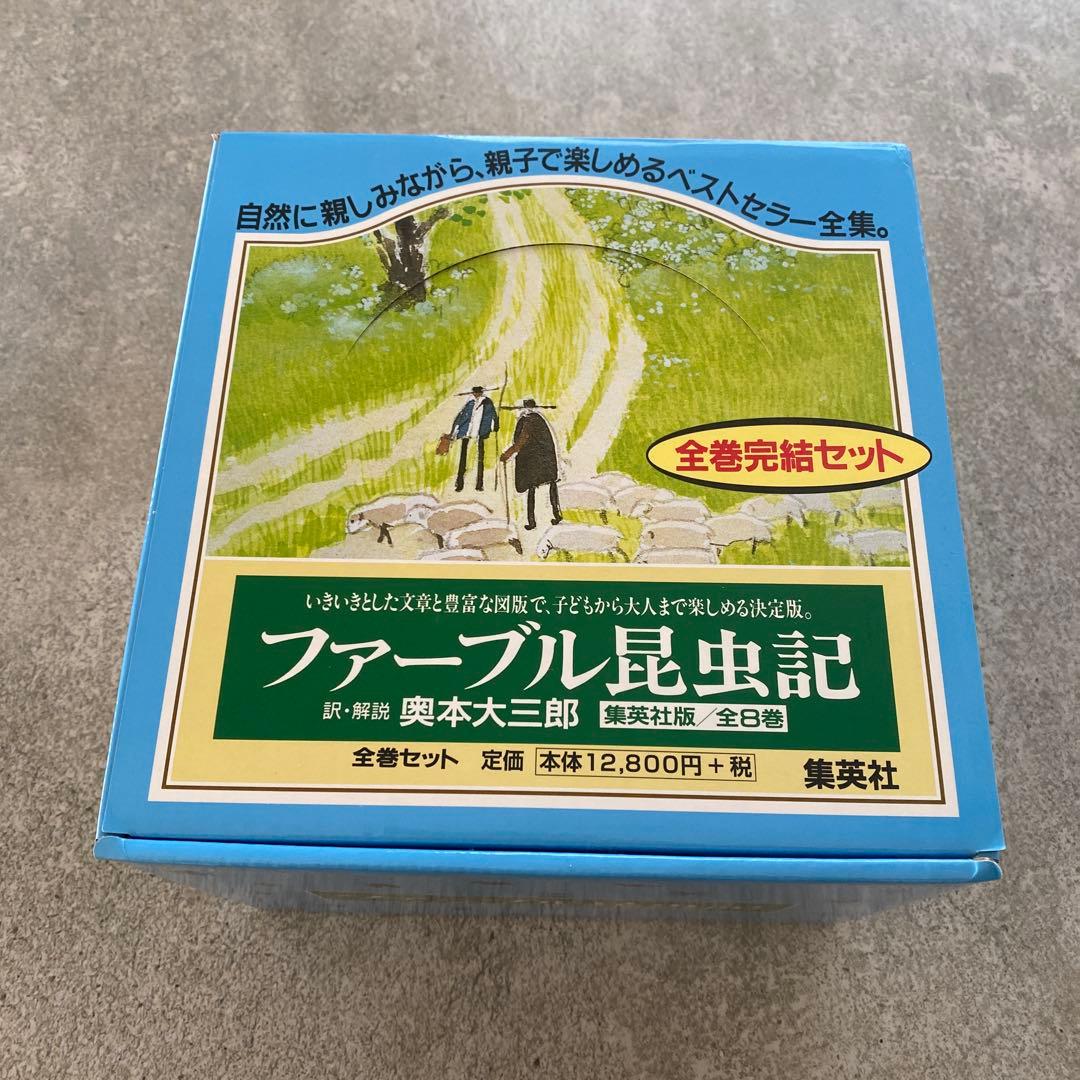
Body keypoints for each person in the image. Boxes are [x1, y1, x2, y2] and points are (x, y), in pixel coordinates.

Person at [499, 399, 562, 531]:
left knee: (531, 488)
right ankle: (557, 514)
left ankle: (532, 522)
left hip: (534, 462)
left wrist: (508, 454)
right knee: (550, 485)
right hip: (545, 460)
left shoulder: (528, 421)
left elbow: (521, 440)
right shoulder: (539, 419)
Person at [449, 386, 499, 492]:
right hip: (467, 432)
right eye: (474, 393)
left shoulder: (487, 402)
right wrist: (454, 431)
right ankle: (459, 483)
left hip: (480, 432)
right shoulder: (470, 402)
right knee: (463, 458)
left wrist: (495, 426)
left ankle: (479, 484)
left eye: (477, 393)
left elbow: (494, 415)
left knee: (480, 458)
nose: (475, 394)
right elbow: (461, 416)